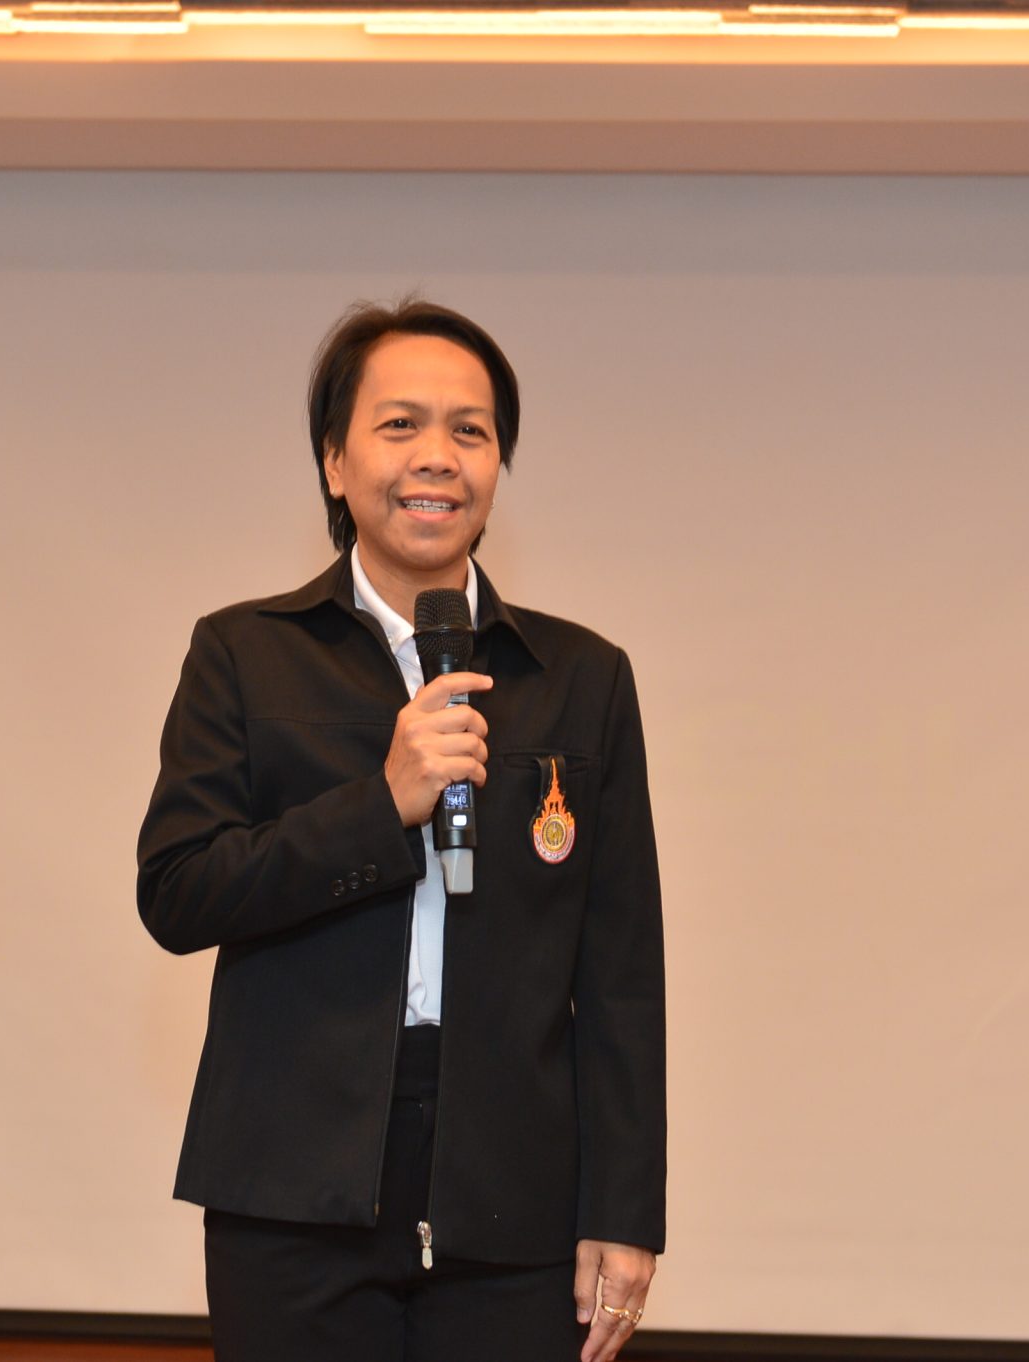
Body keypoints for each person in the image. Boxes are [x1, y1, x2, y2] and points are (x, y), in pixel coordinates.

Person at [137, 298, 666, 1362]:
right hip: (291, 1183)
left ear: (497, 466)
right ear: (334, 463)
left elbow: (620, 974)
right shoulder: (244, 654)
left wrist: (625, 1208)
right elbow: (179, 892)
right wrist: (378, 807)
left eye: (470, 430)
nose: (437, 456)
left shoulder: (581, 676)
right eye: (399, 425)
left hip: (515, 1188)